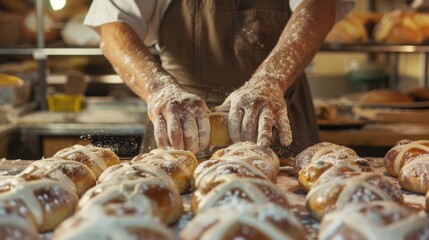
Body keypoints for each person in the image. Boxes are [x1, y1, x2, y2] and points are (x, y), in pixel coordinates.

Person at [84, 0, 355, 160]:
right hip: (178, 125)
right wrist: (158, 90)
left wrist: (269, 81)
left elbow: (320, 5)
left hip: (276, 119)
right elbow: (113, 25)